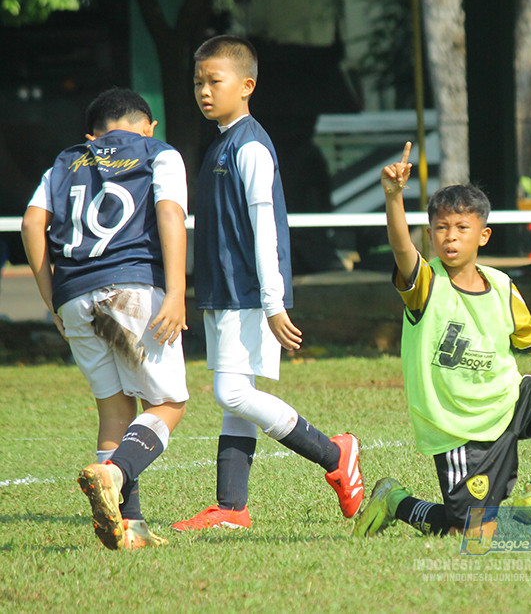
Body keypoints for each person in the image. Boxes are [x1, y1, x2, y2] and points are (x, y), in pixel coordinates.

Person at [353, 143, 531, 539]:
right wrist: (394, 197)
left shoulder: (501, 284)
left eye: (462, 228)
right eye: (441, 229)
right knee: (474, 535)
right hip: (459, 427)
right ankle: (396, 501)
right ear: (430, 235)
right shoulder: (425, 284)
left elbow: (529, 339)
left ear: (484, 235)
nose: (451, 238)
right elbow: (400, 246)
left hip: (508, 400)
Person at [172, 35, 363, 531]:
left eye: (215, 81)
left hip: (248, 294)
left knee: (231, 393)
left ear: (247, 85)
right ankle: (232, 507)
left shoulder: (251, 145)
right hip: (222, 291)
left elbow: (266, 230)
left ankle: (334, 453)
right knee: (238, 389)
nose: (204, 91)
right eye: (198, 82)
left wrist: (273, 302)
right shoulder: (222, 142)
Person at [20, 87, 189, 550]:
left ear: (92, 135)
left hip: (74, 295)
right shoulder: (159, 152)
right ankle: (114, 473)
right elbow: (170, 213)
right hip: (131, 289)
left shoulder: (65, 160)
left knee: (115, 409)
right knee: (170, 403)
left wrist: (52, 298)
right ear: (148, 126)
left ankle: (128, 526)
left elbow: (32, 223)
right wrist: (176, 293)